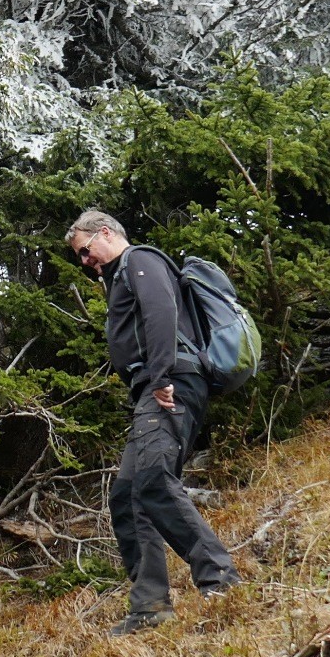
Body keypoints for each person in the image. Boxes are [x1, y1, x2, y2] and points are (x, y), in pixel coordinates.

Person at [68, 208, 237, 634]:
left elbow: (162, 312)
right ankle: (150, 608)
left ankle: (222, 581)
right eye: (80, 258)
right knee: (127, 494)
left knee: (155, 481)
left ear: (105, 233)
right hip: (156, 387)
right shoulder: (121, 273)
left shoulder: (140, 261)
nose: (86, 262)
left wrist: (161, 375)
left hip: (170, 383)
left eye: (86, 252)